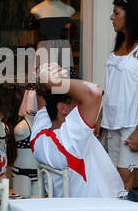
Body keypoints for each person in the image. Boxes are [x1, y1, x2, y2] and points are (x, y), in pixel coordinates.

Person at [30, 64, 125, 199]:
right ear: (63, 109)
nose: (83, 105)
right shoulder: (72, 139)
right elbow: (94, 93)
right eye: (80, 101)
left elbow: (43, 101)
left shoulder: (39, 133)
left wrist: (44, 79)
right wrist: (51, 81)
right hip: (102, 209)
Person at [101, 0, 138, 189]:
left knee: (123, 179)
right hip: (113, 121)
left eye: (116, 13)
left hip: (133, 123)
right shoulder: (119, 47)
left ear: (130, 17)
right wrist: (100, 120)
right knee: (112, 179)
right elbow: (110, 89)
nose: (112, 17)